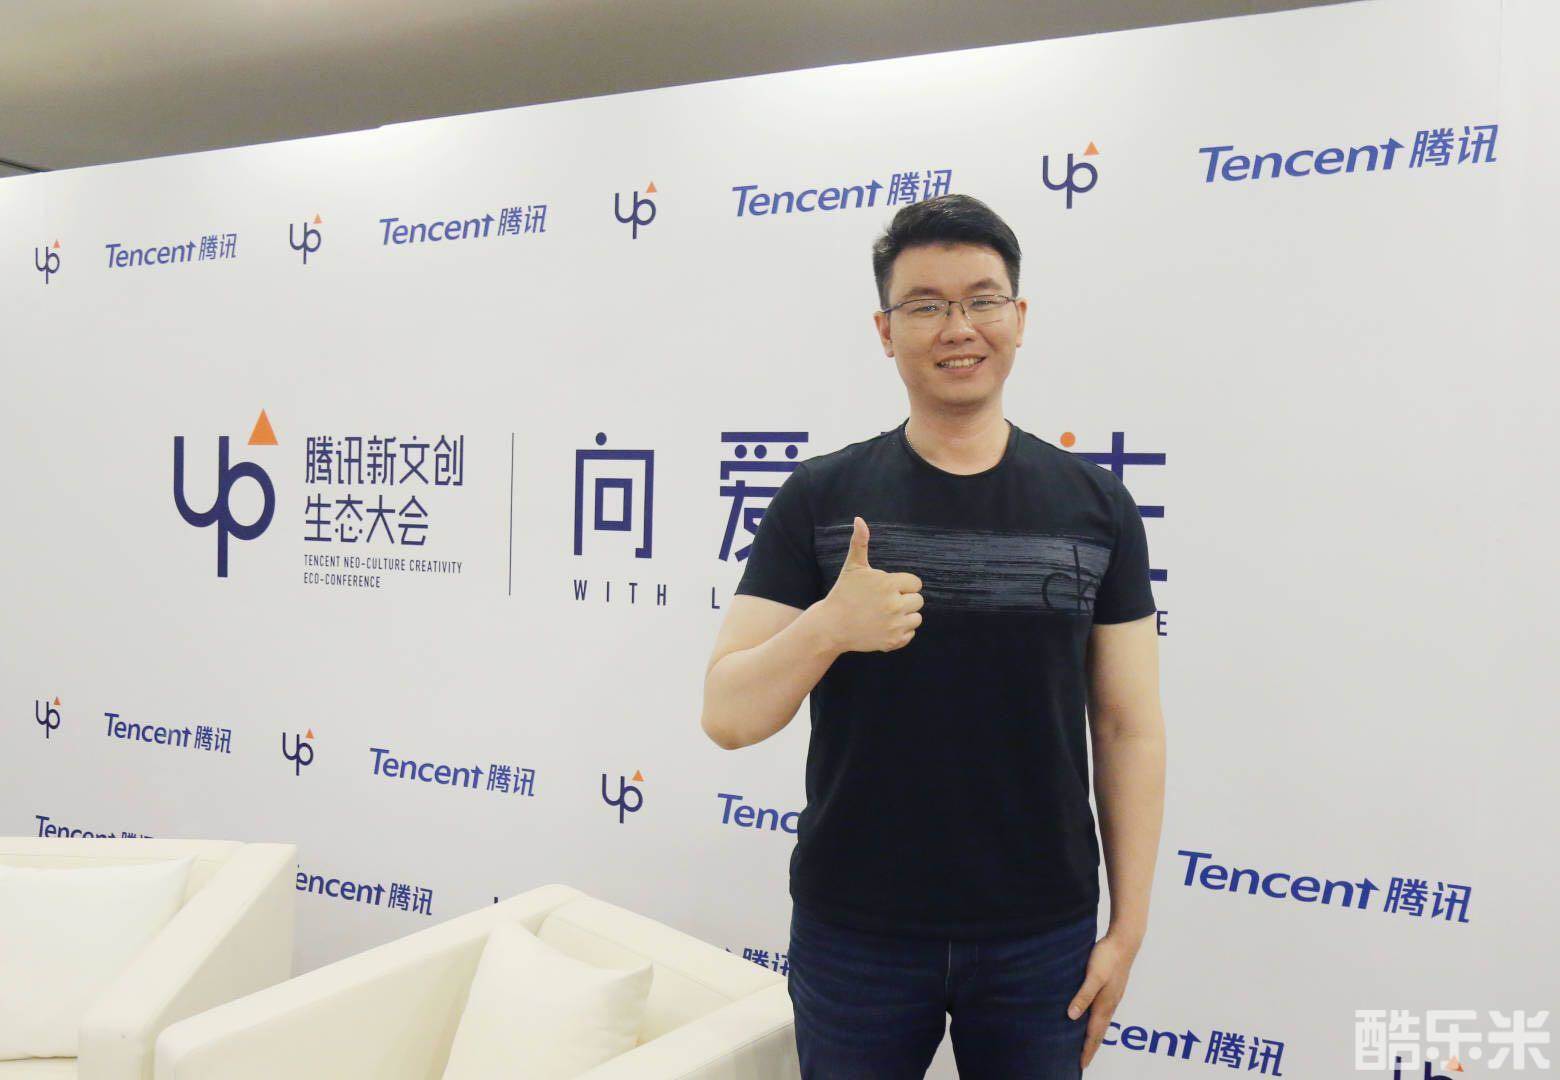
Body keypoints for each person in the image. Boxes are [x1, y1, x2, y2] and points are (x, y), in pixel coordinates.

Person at [700, 193, 1165, 1078]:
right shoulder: (820, 498)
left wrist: (1128, 926)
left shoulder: (1096, 506)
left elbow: (1127, 725)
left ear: (1019, 318)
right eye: (925, 305)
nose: (959, 327)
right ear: (885, 330)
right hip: (856, 930)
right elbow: (727, 714)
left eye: (982, 300)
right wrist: (829, 628)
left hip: (1042, 933)